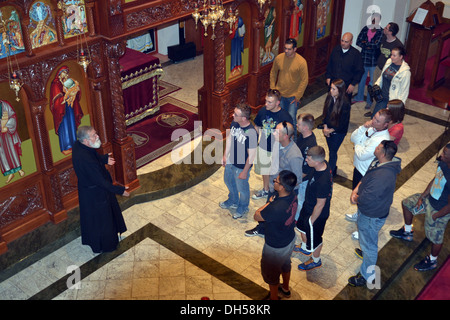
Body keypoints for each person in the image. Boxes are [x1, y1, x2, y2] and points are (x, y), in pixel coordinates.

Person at [348, 140, 401, 287]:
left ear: (383, 153)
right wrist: (356, 189)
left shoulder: (382, 176)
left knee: (370, 245)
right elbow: (366, 177)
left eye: (378, 147)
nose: (375, 148)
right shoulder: (381, 162)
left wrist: (356, 198)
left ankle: (367, 276)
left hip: (371, 214)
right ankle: (366, 255)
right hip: (373, 210)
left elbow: (368, 198)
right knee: (368, 240)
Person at [390, 144, 450, 272]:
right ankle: (407, 232)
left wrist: (436, 216)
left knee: (436, 238)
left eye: (445, 154)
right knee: (407, 203)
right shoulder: (443, 164)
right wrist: (422, 196)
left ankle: (432, 261)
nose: (441, 155)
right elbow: (435, 180)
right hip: (429, 200)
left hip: (440, 210)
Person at [72, 126, 129, 254]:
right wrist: (120, 190)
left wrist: (104, 159)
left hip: (89, 191)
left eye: (96, 133)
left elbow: (93, 156)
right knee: (103, 221)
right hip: (96, 194)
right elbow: (101, 182)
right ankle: (107, 246)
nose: (97, 136)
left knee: (94, 220)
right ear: (86, 140)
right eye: (94, 135)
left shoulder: (79, 145)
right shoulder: (86, 160)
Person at [245, 121, 302, 237]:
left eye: (277, 132)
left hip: (282, 191)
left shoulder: (294, 155)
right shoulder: (277, 143)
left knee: (274, 213)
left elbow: (297, 180)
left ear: (285, 136)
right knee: (268, 210)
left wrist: (281, 190)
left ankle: (268, 231)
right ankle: (261, 229)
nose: (273, 133)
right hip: (274, 186)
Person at [345, 109, 393, 234]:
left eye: (377, 121)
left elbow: (361, 155)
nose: (373, 121)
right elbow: (353, 137)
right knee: (357, 195)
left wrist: (357, 145)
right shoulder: (373, 128)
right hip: (359, 168)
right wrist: (362, 128)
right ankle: (358, 214)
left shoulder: (381, 139)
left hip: (366, 172)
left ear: (385, 125)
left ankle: (362, 227)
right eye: (374, 118)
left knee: (362, 198)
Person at [254, 170, 298, 300]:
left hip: (275, 247)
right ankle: (285, 288)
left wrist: (269, 203)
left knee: (271, 275)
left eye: (276, 181)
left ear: (282, 187)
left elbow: (257, 216)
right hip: (289, 239)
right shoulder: (292, 194)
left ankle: (273, 298)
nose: (274, 182)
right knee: (285, 263)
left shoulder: (276, 207)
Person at [295, 146, 333, 271]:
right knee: (302, 227)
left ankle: (316, 260)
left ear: (317, 162)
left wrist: (312, 220)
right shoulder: (320, 165)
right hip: (308, 205)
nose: (306, 160)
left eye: (309, 159)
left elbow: (321, 204)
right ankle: (305, 248)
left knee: (315, 238)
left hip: (317, 214)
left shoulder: (323, 181)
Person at [252, 89, 293, 200]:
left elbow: (289, 134)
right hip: (263, 145)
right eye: (266, 101)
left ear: (277, 103)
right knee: (264, 170)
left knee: (276, 173)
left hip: (277, 149)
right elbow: (257, 126)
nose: (266, 104)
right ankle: (265, 190)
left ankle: (276, 194)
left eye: (269, 102)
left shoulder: (285, 116)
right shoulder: (263, 111)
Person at [220, 103, 258, 219]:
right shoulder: (235, 123)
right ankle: (233, 200)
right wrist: (225, 155)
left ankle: (243, 206)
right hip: (231, 160)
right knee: (228, 181)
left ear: (244, 118)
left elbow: (251, 155)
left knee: (242, 188)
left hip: (241, 166)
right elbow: (230, 138)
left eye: (235, 114)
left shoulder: (251, 133)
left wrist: (245, 171)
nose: (232, 115)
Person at [270, 38, 309, 141]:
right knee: (280, 119)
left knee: (291, 120)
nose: (286, 51)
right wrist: (273, 89)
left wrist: (298, 96)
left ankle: (293, 142)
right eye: (285, 48)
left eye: (289, 49)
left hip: (293, 97)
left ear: (295, 49)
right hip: (280, 95)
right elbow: (273, 73)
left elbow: (304, 80)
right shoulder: (279, 58)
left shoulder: (301, 62)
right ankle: (280, 140)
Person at [365, 47, 410, 118]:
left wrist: (399, 107)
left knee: (387, 122)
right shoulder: (389, 62)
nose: (391, 57)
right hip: (382, 97)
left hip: (392, 101)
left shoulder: (405, 72)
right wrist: (376, 84)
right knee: (375, 117)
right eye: (391, 55)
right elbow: (382, 76)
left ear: (401, 57)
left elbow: (404, 91)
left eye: (394, 55)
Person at [320, 79, 351, 177]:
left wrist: (330, 130)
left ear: (340, 90)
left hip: (338, 132)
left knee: (333, 152)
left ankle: (330, 172)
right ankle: (333, 167)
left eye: (334, 89)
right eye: (331, 88)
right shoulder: (330, 97)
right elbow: (325, 113)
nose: (331, 91)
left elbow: (343, 122)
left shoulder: (345, 103)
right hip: (328, 129)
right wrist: (325, 127)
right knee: (331, 150)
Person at [50, 66, 84, 155]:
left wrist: (76, 90)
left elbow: (76, 93)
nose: (66, 74)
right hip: (61, 111)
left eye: (67, 72)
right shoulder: (55, 84)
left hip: (70, 107)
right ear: (60, 74)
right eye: (64, 72)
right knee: (64, 127)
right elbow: (56, 101)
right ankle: (66, 147)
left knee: (71, 125)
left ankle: (74, 144)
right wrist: (67, 95)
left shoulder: (68, 82)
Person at [353, 13, 383, 109]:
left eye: (376, 20)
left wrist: (365, 43)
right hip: (364, 59)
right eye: (373, 19)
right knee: (361, 79)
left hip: (374, 61)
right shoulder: (365, 29)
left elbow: (376, 45)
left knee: (372, 82)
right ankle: (359, 97)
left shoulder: (381, 32)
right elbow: (358, 41)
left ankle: (370, 102)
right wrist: (369, 44)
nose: (374, 22)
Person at [325, 32, 364, 102]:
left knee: (344, 105)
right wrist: (328, 76)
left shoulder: (356, 54)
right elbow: (330, 64)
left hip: (346, 85)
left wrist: (353, 84)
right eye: (342, 40)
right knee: (330, 103)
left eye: (346, 42)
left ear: (351, 42)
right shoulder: (336, 50)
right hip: (333, 82)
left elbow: (359, 71)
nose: (343, 43)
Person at [295, 113, 317, 220]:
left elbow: (307, 169)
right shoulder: (302, 136)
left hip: (303, 179)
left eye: (298, 124)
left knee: (300, 201)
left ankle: (297, 220)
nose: (296, 125)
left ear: (305, 127)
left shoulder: (310, 144)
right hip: (298, 175)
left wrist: (297, 179)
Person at [0, 100, 25, 184]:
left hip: (8, 133)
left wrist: (7, 127)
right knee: (3, 154)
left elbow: (13, 116)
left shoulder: (5, 104)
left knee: (12, 150)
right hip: (0, 136)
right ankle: (10, 173)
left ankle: (19, 169)